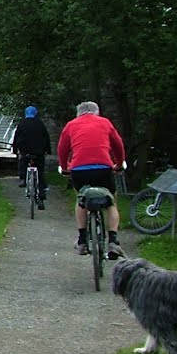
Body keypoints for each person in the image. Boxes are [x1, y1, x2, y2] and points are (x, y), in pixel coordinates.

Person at [57, 101, 127, 259]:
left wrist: (65, 167)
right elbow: (118, 145)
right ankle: (113, 241)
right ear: (96, 112)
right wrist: (118, 163)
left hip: (79, 170)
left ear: (79, 113)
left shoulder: (71, 125)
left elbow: (62, 149)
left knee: (81, 199)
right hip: (103, 168)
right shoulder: (105, 122)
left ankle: (82, 240)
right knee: (111, 201)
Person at [13, 105, 51, 210]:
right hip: (39, 152)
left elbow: (16, 138)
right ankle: (42, 196)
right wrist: (48, 150)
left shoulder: (22, 123)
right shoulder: (40, 123)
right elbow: (46, 137)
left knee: (23, 162)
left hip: (25, 151)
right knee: (40, 171)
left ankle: (22, 179)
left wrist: (15, 150)